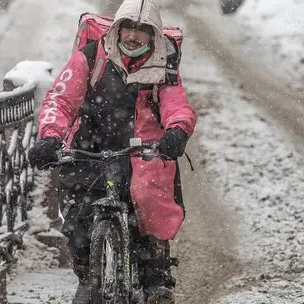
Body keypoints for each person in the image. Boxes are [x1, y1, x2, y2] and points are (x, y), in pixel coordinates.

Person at [28, 0, 197, 303]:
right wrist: (50, 138)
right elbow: (61, 100)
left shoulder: (164, 65)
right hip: (89, 145)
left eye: (143, 31)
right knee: (78, 211)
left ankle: (156, 277)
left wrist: (176, 131)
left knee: (148, 198)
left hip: (143, 148)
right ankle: (86, 275)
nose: (133, 36)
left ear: (154, 37)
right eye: (128, 28)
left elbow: (176, 104)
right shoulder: (90, 58)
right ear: (117, 29)